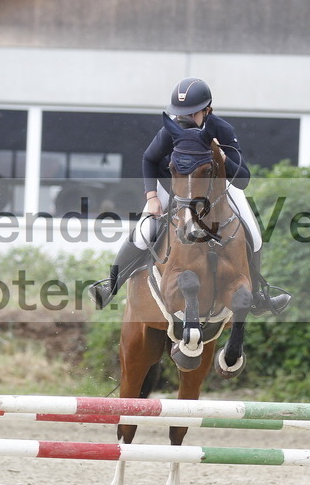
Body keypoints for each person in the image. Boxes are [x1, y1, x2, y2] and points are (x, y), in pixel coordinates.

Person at [88, 77, 291, 315]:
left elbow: (243, 179)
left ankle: (257, 296)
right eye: (180, 113)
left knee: (254, 234)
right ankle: (110, 285)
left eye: (191, 113)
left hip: (218, 187)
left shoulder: (222, 130)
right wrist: (152, 196)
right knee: (145, 232)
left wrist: (223, 158)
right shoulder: (170, 131)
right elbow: (149, 158)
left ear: (208, 110)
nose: (183, 119)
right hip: (173, 187)